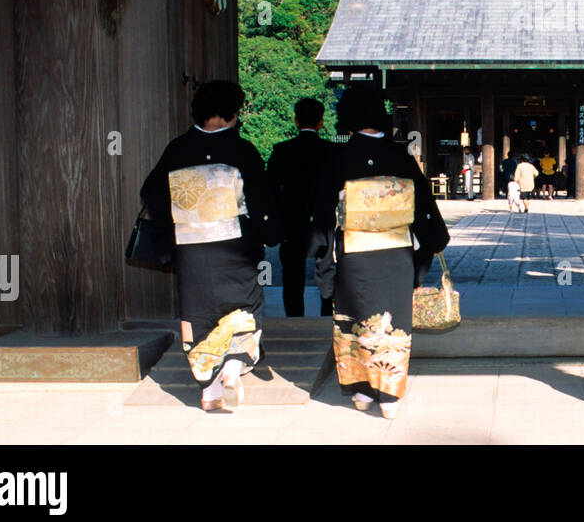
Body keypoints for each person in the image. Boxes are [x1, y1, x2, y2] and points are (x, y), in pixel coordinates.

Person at [311, 86, 450, 419]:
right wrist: (421, 261)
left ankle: (360, 392)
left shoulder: (337, 157)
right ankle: (389, 396)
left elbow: (322, 215)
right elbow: (424, 211)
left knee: (355, 318)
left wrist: (323, 265)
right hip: (395, 256)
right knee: (393, 322)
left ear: (348, 116)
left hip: (355, 255)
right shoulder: (400, 157)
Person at [140, 80, 271, 412]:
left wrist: (179, 222)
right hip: (235, 250)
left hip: (192, 248)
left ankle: (209, 391)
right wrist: (262, 233)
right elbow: (262, 198)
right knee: (243, 307)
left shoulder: (177, 149)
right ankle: (232, 367)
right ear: (230, 114)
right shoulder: (243, 151)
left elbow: (151, 192)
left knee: (199, 315)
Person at [267, 98, 335, 317]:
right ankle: (327, 315)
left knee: (292, 275)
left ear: (296, 121)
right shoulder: (332, 151)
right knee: (327, 270)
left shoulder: (282, 151)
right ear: (321, 122)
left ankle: (294, 318)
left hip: (291, 220)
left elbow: (271, 189)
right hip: (325, 220)